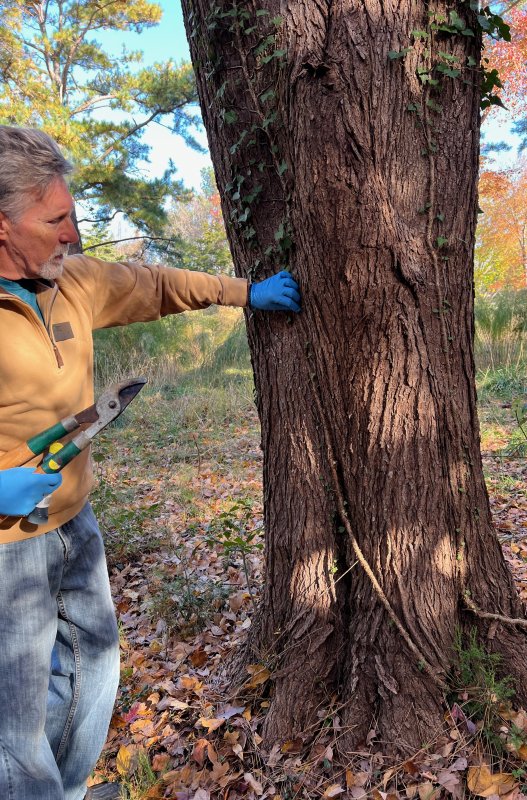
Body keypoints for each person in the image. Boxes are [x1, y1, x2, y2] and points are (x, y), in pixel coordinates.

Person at [0, 126, 301, 800]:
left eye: (72, 214)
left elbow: (156, 284)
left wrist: (244, 292)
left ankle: (66, 792)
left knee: (93, 663)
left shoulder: (72, 283)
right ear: (3, 223)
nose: (74, 233)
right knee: (11, 723)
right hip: (4, 547)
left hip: (74, 519)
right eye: (56, 220)